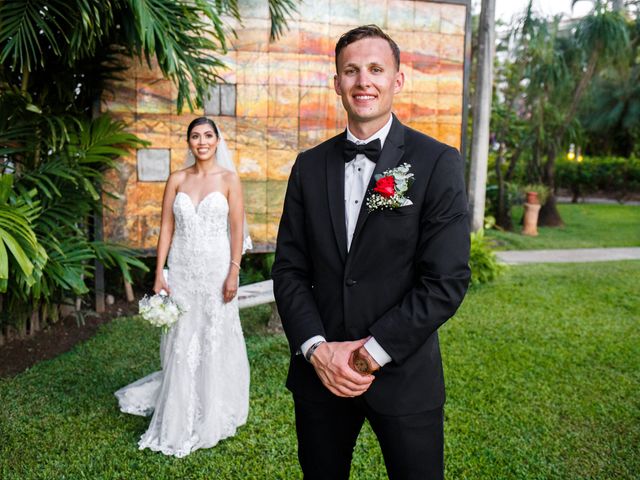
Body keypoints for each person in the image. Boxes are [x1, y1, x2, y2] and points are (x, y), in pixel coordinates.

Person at [272, 25, 471, 479]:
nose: (364, 81)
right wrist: (317, 350)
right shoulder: (308, 166)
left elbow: (446, 280)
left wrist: (368, 355)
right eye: (351, 70)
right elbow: (288, 269)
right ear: (337, 82)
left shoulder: (437, 162)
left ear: (397, 80)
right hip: (320, 375)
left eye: (376, 69)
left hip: (404, 375)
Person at [115, 117, 252, 458]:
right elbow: (166, 226)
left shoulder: (230, 180)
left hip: (216, 268)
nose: (202, 141)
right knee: (183, 338)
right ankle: (179, 406)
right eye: (195, 136)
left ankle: (214, 406)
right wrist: (160, 270)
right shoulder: (177, 179)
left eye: (208, 135)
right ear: (189, 142)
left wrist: (233, 271)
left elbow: (236, 230)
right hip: (183, 268)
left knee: (213, 334)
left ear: (218, 140)